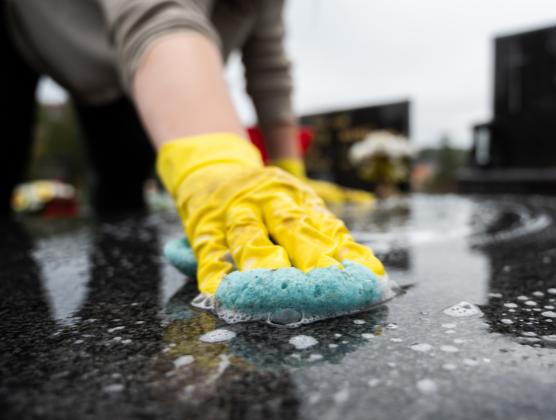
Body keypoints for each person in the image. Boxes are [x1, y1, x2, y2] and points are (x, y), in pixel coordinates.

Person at [2, 0, 384, 298]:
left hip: (137, 73)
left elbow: (268, 65)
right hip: (40, 31)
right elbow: (157, 12)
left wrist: (290, 173)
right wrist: (218, 163)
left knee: (123, 182)